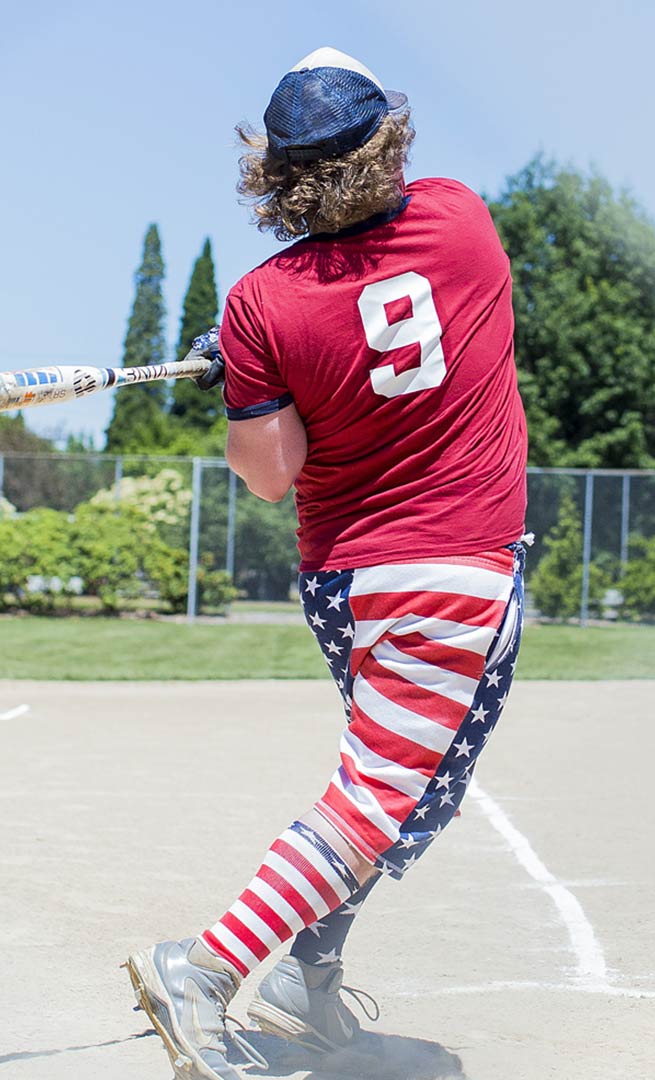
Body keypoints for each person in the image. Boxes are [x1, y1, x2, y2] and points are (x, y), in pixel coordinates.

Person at [124, 48, 529, 1080]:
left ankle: (309, 976)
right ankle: (205, 969)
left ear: (276, 174)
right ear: (387, 142)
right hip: (452, 573)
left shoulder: (259, 304)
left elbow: (270, 474)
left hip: (350, 583)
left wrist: (245, 380)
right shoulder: (462, 219)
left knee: (420, 782)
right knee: (382, 794)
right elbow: (383, 302)